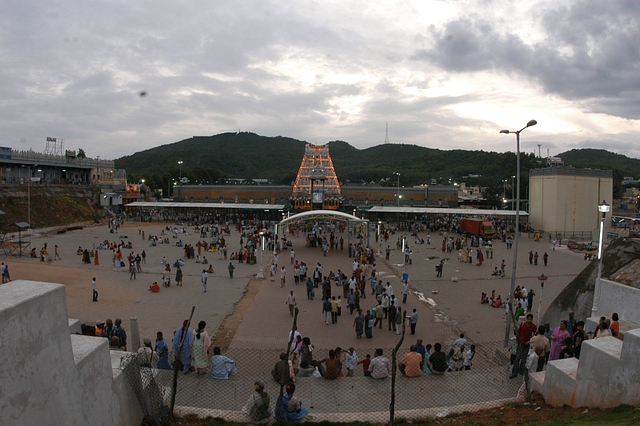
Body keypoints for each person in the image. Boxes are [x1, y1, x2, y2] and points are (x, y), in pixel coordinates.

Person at [510, 313, 536, 378]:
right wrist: (518, 340)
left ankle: (521, 371)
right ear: (526, 319)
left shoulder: (533, 327)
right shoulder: (523, 324)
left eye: (531, 319)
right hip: (521, 343)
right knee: (517, 358)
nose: (529, 321)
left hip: (527, 344)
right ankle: (514, 372)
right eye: (528, 319)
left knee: (524, 358)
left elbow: (534, 335)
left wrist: (529, 341)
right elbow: (518, 332)